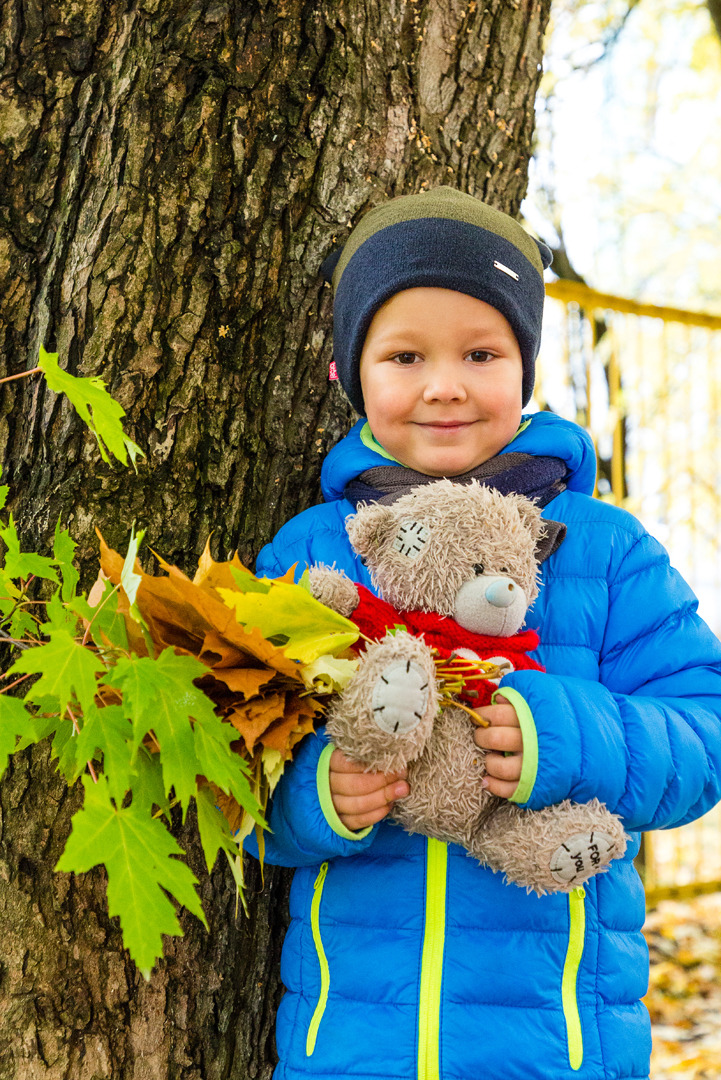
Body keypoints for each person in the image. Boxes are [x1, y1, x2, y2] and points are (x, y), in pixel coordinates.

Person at [245, 186, 721, 1080]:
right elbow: (234, 761)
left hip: (558, 1041)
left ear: (524, 366)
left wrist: (561, 732)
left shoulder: (605, 550)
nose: (444, 384)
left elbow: (704, 732)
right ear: (351, 374)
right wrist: (319, 798)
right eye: (403, 354)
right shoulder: (311, 556)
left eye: (480, 351)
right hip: (351, 1045)